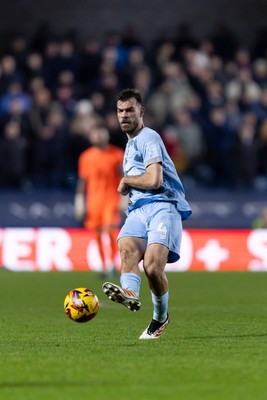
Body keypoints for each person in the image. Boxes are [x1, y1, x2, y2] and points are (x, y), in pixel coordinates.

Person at [102, 88, 192, 339]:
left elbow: (154, 179)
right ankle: (129, 292)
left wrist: (126, 180)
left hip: (163, 205)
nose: (124, 116)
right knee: (127, 247)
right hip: (138, 211)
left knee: (153, 267)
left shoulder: (148, 137)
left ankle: (160, 317)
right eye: (120, 111)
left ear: (141, 112)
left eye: (130, 110)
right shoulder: (130, 145)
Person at [75, 122, 124, 276]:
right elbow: (83, 180)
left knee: (111, 231)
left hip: (111, 199)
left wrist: (125, 197)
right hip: (94, 201)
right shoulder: (85, 157)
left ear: (107, 135)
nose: (98, 136)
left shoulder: (116, 154)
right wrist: (79, 201)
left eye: (101, 133)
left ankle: (113, 264)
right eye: (95, 133)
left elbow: (123, 176)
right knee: (96, 234)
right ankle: (103, 266)